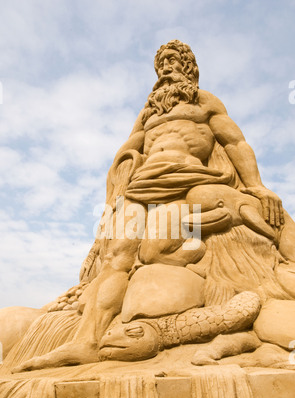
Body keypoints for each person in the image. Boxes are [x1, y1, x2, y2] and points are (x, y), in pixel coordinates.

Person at [13, 40, 295, 372]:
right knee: (116, 256)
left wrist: (256, 186)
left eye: (172, 61)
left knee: (162, 243)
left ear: (188, 68)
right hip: (142, 185)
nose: (165, 68)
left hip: (191, 176)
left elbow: (235, 142)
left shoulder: (204, 103)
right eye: (160, 64)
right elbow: (124, 155)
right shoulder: (148, 114)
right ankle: (86, 342)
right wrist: (110, 207)